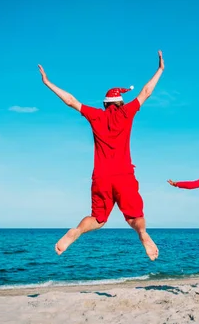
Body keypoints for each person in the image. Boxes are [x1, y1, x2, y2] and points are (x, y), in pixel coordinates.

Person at [38, 50, 165, 261]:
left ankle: (76, 232)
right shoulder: (127, 113)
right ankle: (142, 234)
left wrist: (47, 82)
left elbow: (70, 100)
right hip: (124, 175)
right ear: (120, 103)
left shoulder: (96, 115)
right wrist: (160, 69)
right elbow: (146, 91)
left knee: (98, 219)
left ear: (105, 104)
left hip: (101, 177)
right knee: (135, 217)